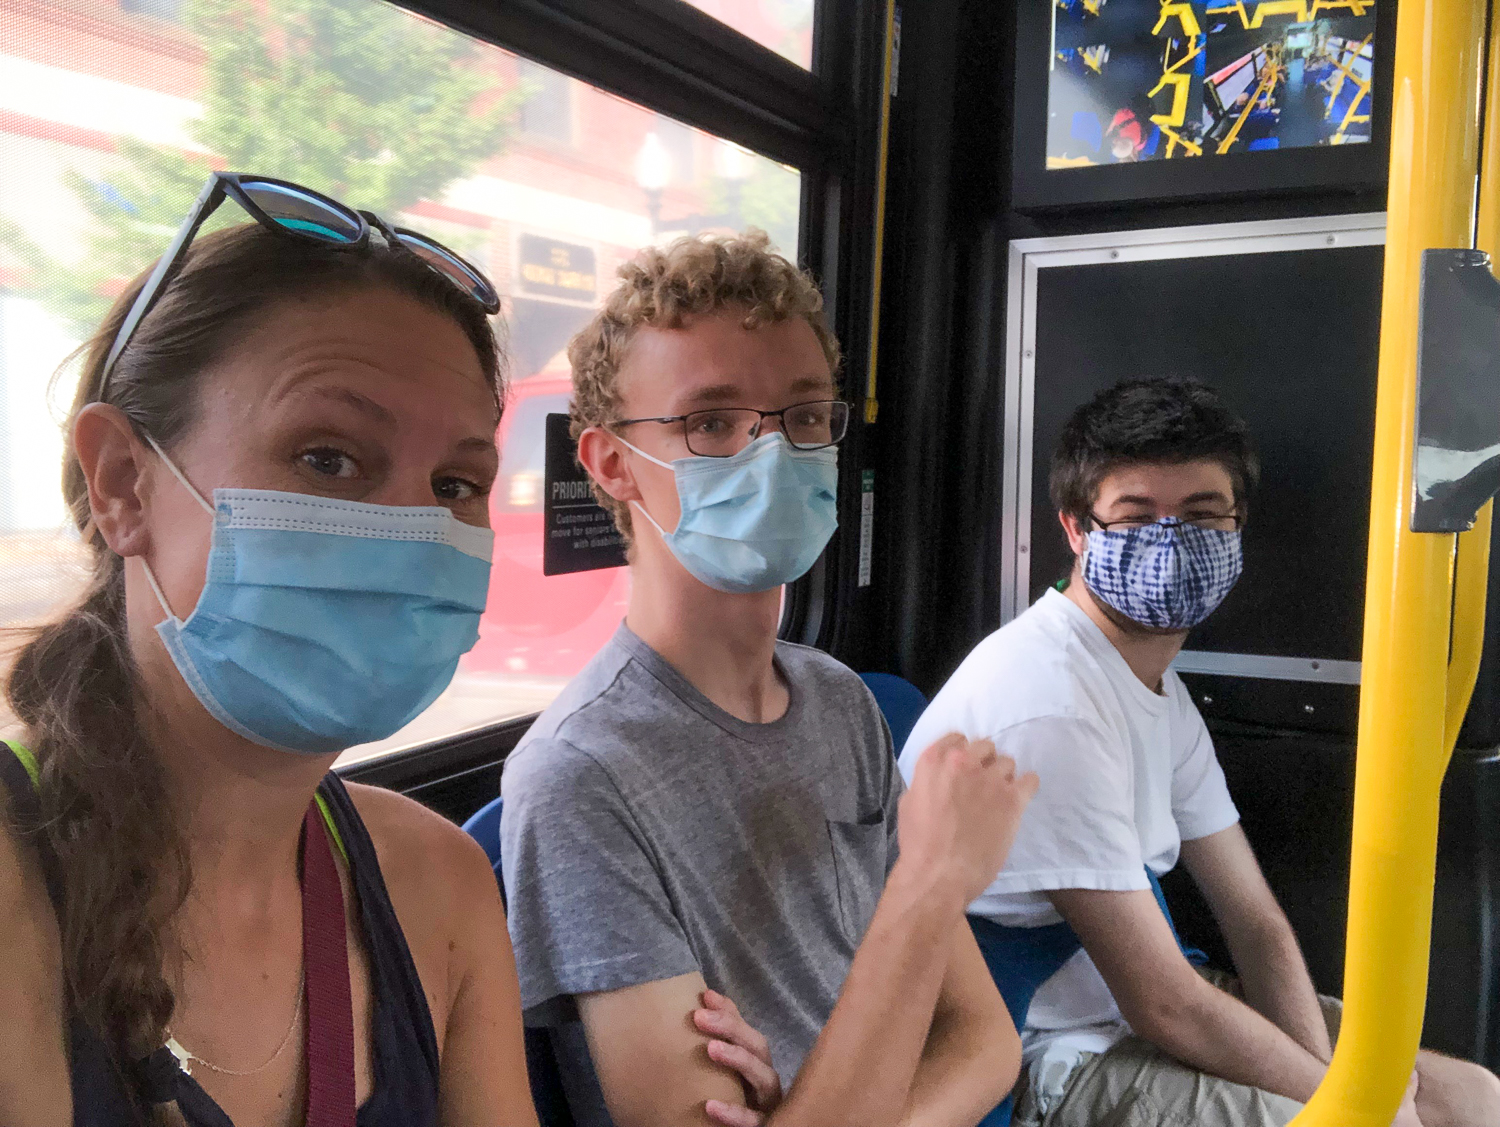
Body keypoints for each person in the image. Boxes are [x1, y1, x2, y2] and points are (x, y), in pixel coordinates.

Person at [0, 173, 544, 1126]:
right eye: (328, 457)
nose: (416, 527)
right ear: (124, 483)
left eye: (456, 480)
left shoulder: (442, 888)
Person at [500, 230, 1035, 1127]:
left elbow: (987, 1042)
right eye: (711, 422)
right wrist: (933, 880)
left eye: (805, 415)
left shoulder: (840, 699)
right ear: (612, 463)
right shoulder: (579, 778)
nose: (773, 452)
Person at [899, 377, 1500, 1127]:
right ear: (1078, 529)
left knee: (1473, 1098)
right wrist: (1347, 1106)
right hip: (1051, 1050)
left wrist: (1338, 1084)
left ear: (1236, 526)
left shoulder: (1152, 687)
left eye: (1201, 514)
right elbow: (1166, 1006)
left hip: (1136, 1008)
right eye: (1137, 515)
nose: (1170, 539)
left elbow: (1256, 921)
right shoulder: (1047, 700)